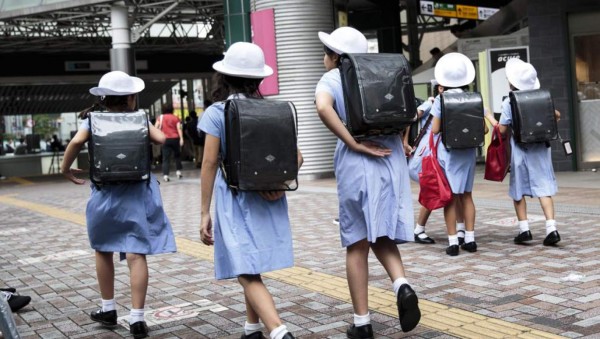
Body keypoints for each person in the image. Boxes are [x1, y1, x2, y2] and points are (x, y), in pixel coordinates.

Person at [315, 27, 421, 338]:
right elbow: (411, 111)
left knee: (357, 242)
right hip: (391, 160)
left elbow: (323, 107)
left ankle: (362, 323)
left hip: (358, 162)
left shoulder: (334, 77)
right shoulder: (382, 75)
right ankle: (402, 284)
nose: (324, 57)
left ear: (336, 56)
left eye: (327, 52)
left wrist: (353, 142)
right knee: (382, 232)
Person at [60, 70, 177, 339]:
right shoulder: (139, 118)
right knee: (136, 254)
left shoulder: (93, 120)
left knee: (103, 250)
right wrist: (142, 126)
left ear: (103, 98)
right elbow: (161, 139)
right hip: (137, 193)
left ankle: (108, 308)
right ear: (131, 97)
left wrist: (66, 169)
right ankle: (137, 319)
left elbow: (77, 142)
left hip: (105, 194)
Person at [199, 42, 301, 339]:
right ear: (258, 79)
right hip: (268, 198)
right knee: (251, 262)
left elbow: (208, 163)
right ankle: (252, 328)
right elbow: (298, 156)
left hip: (234, 198)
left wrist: (204, 212)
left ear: (225, 77)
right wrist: (279, 183)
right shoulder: (270, 109)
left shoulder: (217, 112)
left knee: (244, 269)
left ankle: (279, 331)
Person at [490, 58, 561, 246]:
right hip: (541, 150)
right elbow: (556, 115)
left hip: (520, 151)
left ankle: (524, 230)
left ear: (513, 82)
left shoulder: (509, 102)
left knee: (518, 190)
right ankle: (551, 229)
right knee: (544, 188)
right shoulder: (542, 97)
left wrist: (490, 118)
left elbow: (503, 130)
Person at [430, 53, 485, 256]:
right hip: (468, 152)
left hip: (449, 153)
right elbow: (483, 130)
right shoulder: (474, 98)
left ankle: (453, 242)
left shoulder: (440, 99)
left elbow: (435, 130)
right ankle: (470, 238)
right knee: (467, 195)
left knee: (450, 198)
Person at [155, 103, 184, 181]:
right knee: (177, 156)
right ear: (172, 109)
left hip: (165, 139)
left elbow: (156, 127)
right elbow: (179, 129)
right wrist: (181, 138)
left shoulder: (160, 117)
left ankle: (166, 175)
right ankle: (178, 172)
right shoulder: (176, 118)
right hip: (175, 139)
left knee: (165, 158)